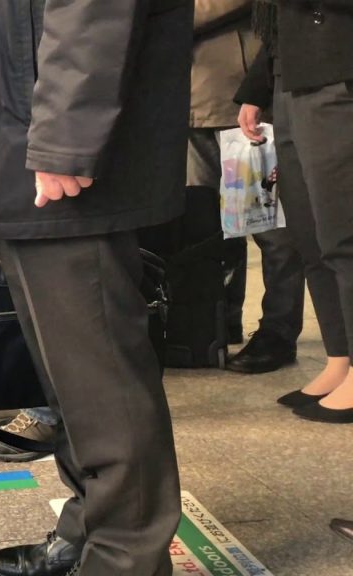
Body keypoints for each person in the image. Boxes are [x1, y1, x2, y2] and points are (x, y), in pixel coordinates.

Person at [0, 0, 190, 572]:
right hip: (17, 132)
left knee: (100, 379)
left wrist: (66, 135)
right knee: (68, 380)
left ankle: (125, 559)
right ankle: (90, 530)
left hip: (48, 137)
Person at [235, 0, 353, 424]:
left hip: (338, 67)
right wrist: (257, 87)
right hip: (293, 71)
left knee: (342, 232)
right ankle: (340, 357)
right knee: (309, 234)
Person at [188, 0, 308, 375]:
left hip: (238, 98)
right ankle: (219, 321)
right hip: (185, 100)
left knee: (269, 227)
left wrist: (152, 13)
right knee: (206, 228)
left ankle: (278, 330)